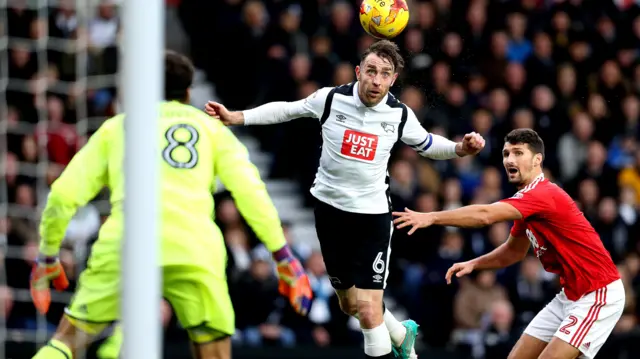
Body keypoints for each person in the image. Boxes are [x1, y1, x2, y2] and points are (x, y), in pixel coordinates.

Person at [204, 40, 485, 359]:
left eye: (385, 74)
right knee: (349, 304)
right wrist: (236, 117)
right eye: (371, 71)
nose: (377, 80)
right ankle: (399, 332)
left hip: (372, 218)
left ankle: (393, 348)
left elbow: (427, 143)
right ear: (358, 72)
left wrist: (460, 148)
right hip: (329, 213)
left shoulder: (398, 114)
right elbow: (286, 109)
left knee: (367, 310)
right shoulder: (331, 99)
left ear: (393, 80)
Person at [29, 50, 312, 359]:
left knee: (65, 344)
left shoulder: (117, 128)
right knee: (214, 352)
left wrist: (47, 255)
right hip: (193, 248)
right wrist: (283, 257)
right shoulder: (211, 129)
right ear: (188, 93)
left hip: (125, 245)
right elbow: (251, 193)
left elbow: (62, 195)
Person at [393, 128, 624, 359]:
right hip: (570, 294)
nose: (509, 160)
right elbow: (513, 252)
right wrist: (476, 263)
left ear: (537, 160)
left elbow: (484, 214)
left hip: (598, 292)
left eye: (518, 153)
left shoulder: (542, 194)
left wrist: (431, 217)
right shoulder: (526, 203)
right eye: (506, 154)